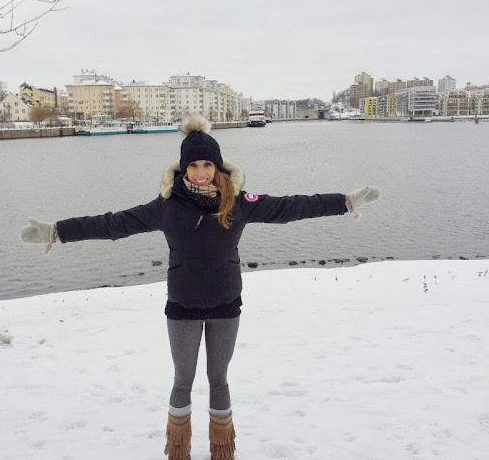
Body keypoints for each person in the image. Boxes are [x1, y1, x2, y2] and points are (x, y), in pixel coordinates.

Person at [21, 115, 382, 460]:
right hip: (183, 305)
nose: (201, 172)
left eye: (207, 164)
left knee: (218, 379)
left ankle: (222, 450)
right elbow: (113, 224)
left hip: (226, 303)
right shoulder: (167, 207)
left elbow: (290, 207)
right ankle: (178, 450)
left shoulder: (238, 203)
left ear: (218, 166)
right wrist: (58, 231)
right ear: (183, 169)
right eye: (193, 165)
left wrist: (344, 202)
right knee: (183, 380)